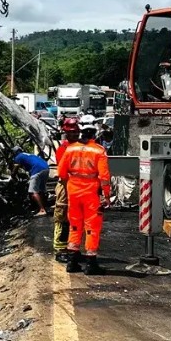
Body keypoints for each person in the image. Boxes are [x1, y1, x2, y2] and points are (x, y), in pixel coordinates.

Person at [58, 114, 111, 275]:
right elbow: (104, 177)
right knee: (92, 228)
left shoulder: (70, 149)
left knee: (74, 226)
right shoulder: (99, 151)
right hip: (91, 194)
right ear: (95, 133)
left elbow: (61, 172)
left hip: (73, 192)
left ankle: (72, 262)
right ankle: (91, 264)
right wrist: (107, 196)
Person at [53, 117, 80, 263]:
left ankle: (72, 248)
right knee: (62, 216)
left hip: (78, 187)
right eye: (72, 133)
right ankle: (60, 249)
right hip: (65, 185)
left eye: (76, 133)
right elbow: (63, 172)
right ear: (66, 133)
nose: (75, 135)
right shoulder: (63, 149)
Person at [12, 147, 51, 216]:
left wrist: (13, 177)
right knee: (40, 190)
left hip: (37, 170)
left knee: (33, 192)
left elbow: (14, 171)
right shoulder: (28, 155)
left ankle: (42, 210)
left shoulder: (18, 157)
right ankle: (42, 207)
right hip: (46, 168)